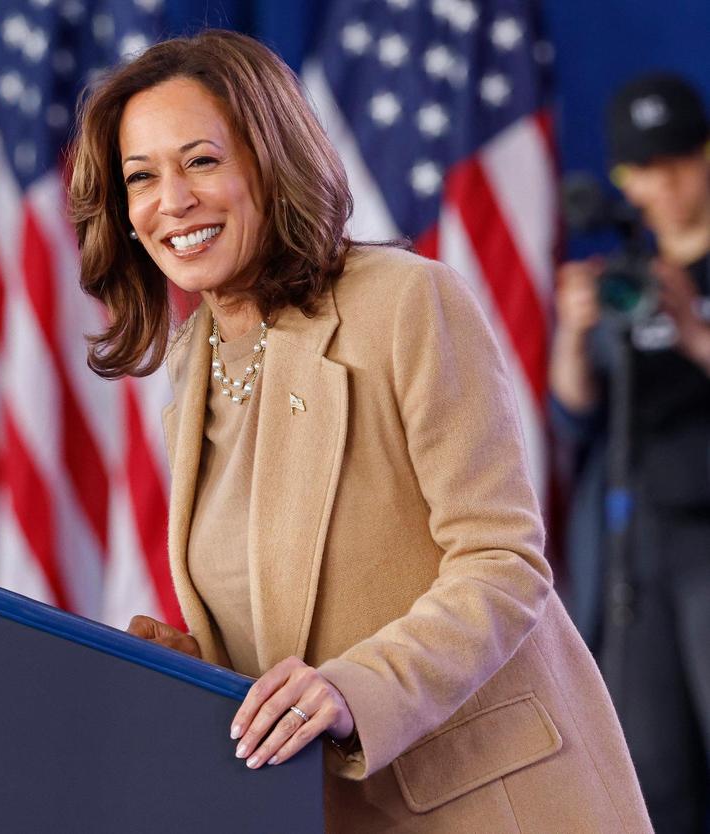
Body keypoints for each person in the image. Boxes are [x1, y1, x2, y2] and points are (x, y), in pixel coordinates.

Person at [69, 29, 654, 832]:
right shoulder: (191, 363)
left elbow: (502, 561)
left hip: (487, 801)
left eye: (202, 161)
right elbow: (288, 612)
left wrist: (355, 688)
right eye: (142, 177)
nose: (172, 200)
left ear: (270, 162)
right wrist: (188, 671)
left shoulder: (405, 303)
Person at [551, 73, 710, 834]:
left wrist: (694, 330)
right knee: (653, 772)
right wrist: (573, 333)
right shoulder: (623, 274)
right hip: (632, 552)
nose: (665, 183)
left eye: (679, 161)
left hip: (706, 536)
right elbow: (575, 416)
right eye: (646, 169)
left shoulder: (682, 285)